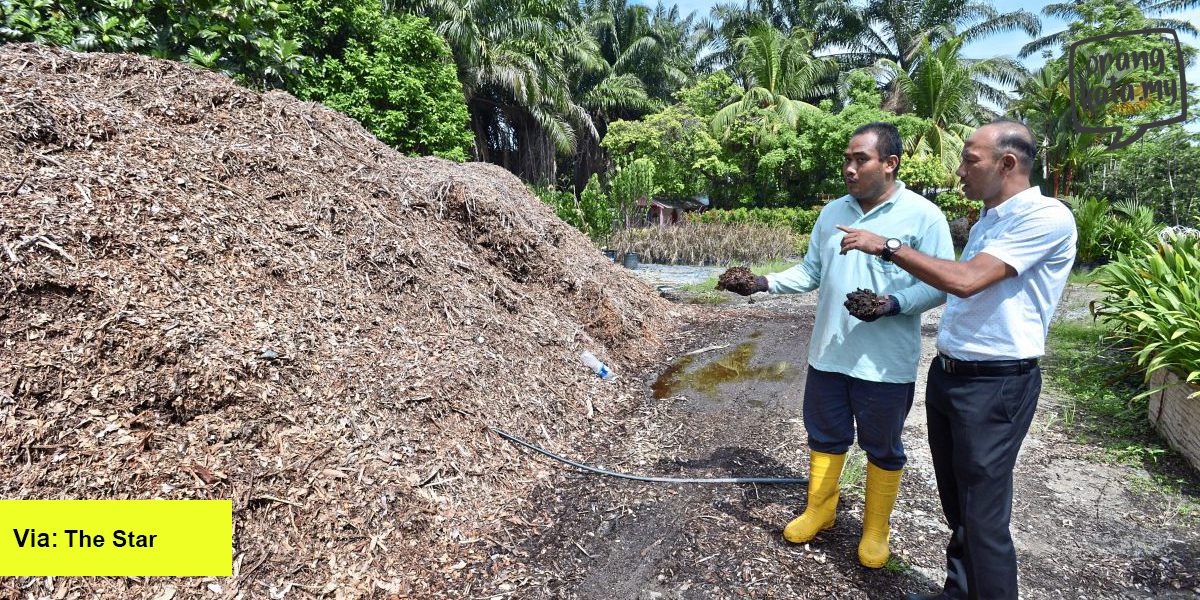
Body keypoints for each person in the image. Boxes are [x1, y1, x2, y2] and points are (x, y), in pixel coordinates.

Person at [837, 119, 1076, 600]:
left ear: (1007, 163)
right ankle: (959, 592)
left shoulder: (1045, 216)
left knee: (983, 515)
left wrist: (888, 246)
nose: (960, 171)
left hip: (996, 384)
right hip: (952, 375)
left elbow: (966, 280)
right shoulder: (990, 216)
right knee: (959, 506)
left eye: (970, 160)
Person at [721, 122, 953, 568]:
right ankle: (820, 509)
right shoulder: (832, 212)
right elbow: (811, 273)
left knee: (882, 446)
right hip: (829, 353)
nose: (849, 168)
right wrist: (762, 282)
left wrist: (892, 303)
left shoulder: (924, 216)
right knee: (825, 436)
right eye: (846, 159)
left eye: (860, 159)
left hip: (885, 364)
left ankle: (874, 531)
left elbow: (941, 284)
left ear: (890, 164)